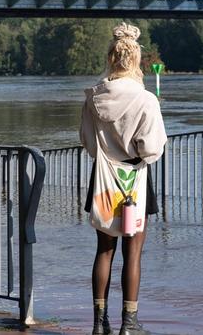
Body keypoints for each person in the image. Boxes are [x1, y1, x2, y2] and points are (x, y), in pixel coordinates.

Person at [80, 23, 167, 335]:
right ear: (136, 60)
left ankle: (98, 323)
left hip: (103, 179)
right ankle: (129, 324)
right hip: (135, 183)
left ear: (111, 58)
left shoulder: (93, 98)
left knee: (104, 251)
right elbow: (152, 149)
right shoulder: (146, 100)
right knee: (133, 253)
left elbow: (89, 143)